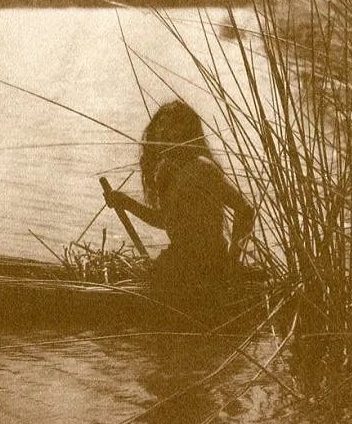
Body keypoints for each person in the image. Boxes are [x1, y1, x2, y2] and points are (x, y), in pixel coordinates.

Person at [104, 100, 254, 289]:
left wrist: (232, 261)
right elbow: (166, 220)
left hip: (205, 264)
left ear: (186, 134)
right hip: (182, 259)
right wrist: (124, 201)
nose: (161, 134)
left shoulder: (201, 167)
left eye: (170, 128)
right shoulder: (168, 170)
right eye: (160, 127)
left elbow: (245, 209)